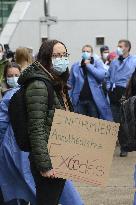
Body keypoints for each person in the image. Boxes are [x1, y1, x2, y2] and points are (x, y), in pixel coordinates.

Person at [18, 39, 84, 205]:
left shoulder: (56, 82)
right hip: (49, 158)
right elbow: (36, 127)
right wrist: (45, 165)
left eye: (64, 55)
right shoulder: (39, 85)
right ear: (46, 57)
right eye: (57, 55)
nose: (62, 59)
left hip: (59, 155)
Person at [68, 44, 113, 121]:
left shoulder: (97, 64)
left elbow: (101, 76)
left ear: (91, 54)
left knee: (93, 124)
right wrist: (70, 99)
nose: (85, 53)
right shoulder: (76, 66)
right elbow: (70, 83)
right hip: (79, 101)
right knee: (80, 124)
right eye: (84, 51)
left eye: (88, 51)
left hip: (93, 101)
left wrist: (88, 65)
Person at [108, 39, 136, 157]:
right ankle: (122, 144)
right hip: (114, 93)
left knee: (126, 119)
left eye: (120, 46)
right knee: (117, 121)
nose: (118, 48)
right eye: (118, 46)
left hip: (126, 92)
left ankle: (126, 146)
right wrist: (109, 87)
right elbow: (108, 76)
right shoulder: (114, 62)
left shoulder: (134, 61)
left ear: (127, 48)